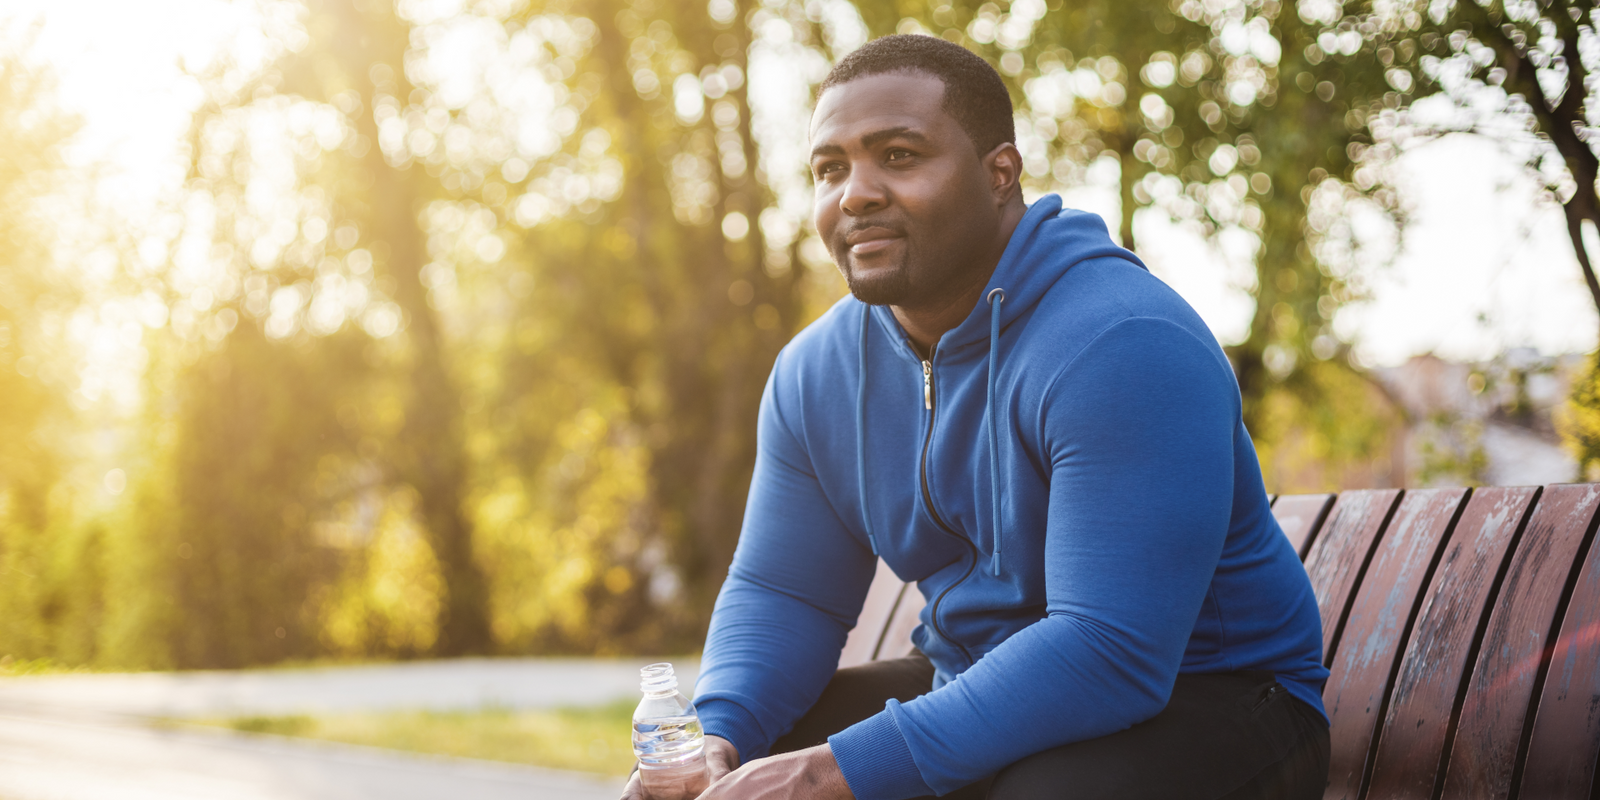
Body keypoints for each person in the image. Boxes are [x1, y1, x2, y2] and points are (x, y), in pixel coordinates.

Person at [621, 34, 1330, 800]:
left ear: (1000, 174)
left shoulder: (1121, 341)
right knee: (749, 763)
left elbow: (1110, 650)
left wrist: (841, 770)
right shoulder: (814, 372)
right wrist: (719, 737)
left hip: (1217, 696)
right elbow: (784, 592)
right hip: (977, 669)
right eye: (831, 168)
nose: (855, 193)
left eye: (898, 155)